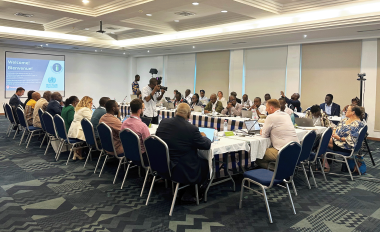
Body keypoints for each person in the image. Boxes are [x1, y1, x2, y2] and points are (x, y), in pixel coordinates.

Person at [156, 103, 211, 185]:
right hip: (180, 168)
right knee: (205, 163)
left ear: (176, 112)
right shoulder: (191, 129)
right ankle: (194, 191)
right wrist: (204, 137)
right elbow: (206, 145)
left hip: (162, 162)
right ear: (189, 114)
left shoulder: (163, 122)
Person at [256, 99, 299, 169]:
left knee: (258, 154)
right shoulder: (286, 115)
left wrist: (262, 131)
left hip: (283, 151)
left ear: (271, 108)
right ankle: (285, 168)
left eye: (266, 108)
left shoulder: (270, 117)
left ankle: (280, 171)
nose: (266, 110)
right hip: (295, 149)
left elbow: (264, 135)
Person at [121, 99, 150, 164]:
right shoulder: (142, 126)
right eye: (143, 109)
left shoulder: (124, 123)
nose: (143, 110)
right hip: (141, 157)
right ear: (139, 110)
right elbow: (148, 144)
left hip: (128, 153)